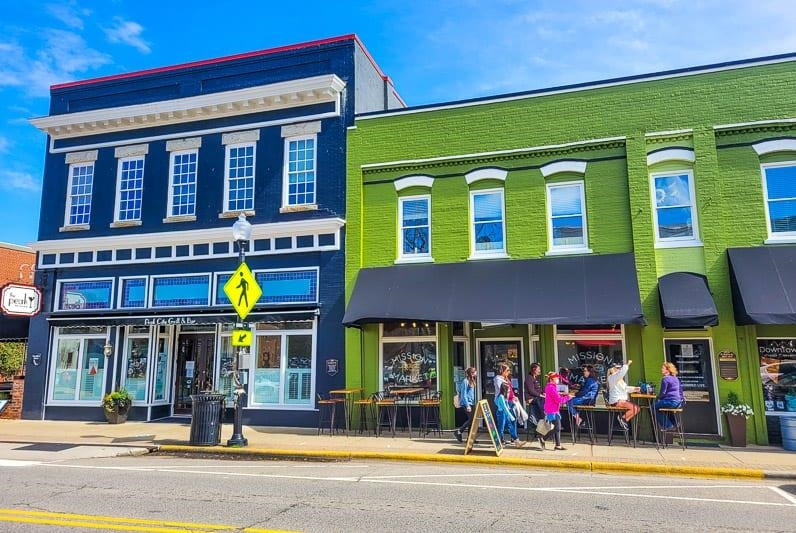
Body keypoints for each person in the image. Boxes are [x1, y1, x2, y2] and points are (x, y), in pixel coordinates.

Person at [541, 372, 573, 450]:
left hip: (553, 409)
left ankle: (558, 445)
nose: (558, 379)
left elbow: (555, 397)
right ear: (552, 379)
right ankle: (543, 438)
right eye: (557, 378)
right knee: (557, 428)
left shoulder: (551, 387)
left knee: (557, 427)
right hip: (552, 410)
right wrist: (568, 397)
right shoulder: (551, 388)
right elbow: (558, 400)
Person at [607, 360, 640, 431]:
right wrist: (627, 364)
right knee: (635, 408)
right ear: (612, 369)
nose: (619, 369)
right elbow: (621, 373)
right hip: (617, 401)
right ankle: (622, 419)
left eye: (620, 368)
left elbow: (625, 388)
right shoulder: (612, 377)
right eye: (617, 368)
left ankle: (623, 421)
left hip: (621, 401)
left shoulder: (619, 380)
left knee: (637, 408)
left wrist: (635, 389)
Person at [655, 362, 684, 430]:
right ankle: (675, 424)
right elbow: (680, 391)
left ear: (668, 370)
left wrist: (658, 397)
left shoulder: (665, 379)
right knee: (665, 408)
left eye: (663, 368)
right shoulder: (676, 378)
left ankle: (668, 425)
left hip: (671, 402)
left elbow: (663, 393)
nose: (661, 369)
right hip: (678, 402)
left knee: (653, 407)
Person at [495, 382, 524, 447]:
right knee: (501, 428)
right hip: (501, 414)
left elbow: (506, 406)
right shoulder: (501, 397)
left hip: (504, 413)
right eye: (508, 390)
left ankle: (517, 441)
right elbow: (504, 408)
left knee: (510, 426)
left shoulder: (504, 396)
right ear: (504, 390)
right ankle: (500, 442)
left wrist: (510, 406)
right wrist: (511, 416)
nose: (508, 392)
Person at [453, 367, 477, 442]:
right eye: (474, 372)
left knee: (472, 421)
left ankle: (470, 438)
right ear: (471, 373)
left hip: (471, 402)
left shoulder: (472, 380)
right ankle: (459, 431)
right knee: (471, 419)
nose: (476, 373)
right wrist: (467, 405)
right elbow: (463, 394)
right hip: (466, 403)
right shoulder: (465, 381)